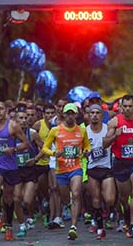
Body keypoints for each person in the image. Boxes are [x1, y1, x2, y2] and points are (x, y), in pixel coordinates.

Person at [42, 103, 91, 240]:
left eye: (72, 113)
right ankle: (70, 207)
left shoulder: (82, 131)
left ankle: (73, 226)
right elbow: (44, 148)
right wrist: (54, 153)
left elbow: (87, 145)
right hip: (61, 170)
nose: (70, 116)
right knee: (65, 198)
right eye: (67, 113)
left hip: (76, 168)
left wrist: (87, 151)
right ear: (63, 114)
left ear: (76, 115)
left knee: (76, 193)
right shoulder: (55, 130)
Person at [104, 94, 133, 239]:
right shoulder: (114, 122)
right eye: (125, 106)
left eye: (130, 106)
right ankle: (126, 217)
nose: (128, 109)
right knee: (124, 197)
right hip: (120, 163)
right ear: (121, 107)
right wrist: (115, 136)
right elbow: (105, 144)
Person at [0, 100, 28, 241]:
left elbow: (26, 144)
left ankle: (8, 226)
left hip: (10, 166)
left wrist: (13, 149)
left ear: (6, 111)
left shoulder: (13, 126)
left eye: (1, 109)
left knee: (9, 198)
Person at [86, 104, 115, 239]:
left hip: (106, 167)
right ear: (89, 115)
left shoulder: (107, 129)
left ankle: (106, 211)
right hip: (92, 169)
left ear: (102, 115)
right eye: (92, 113)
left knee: (109, 199)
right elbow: (81, 149)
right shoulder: (85, 131)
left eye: (97, 113)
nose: (95, 115)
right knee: (96, 199)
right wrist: (84, 153)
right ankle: (100, 227)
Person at [13, 105, 42, 237]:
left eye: (25, 118)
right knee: (16, 198)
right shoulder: (10, 134)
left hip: (30, 170)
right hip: (15, 170)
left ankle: (29, 216)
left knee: (26, 200)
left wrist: (35, 159)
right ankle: (21, 224)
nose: (24, 120)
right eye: (21, 118)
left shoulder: (32, 134)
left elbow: (44, 148)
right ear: (15, 120)